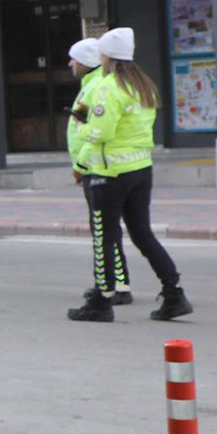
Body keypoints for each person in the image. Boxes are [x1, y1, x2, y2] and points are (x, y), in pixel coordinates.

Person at [70, 26, 191, 322]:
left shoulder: (108, 87)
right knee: (142, 234)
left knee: (104, 237)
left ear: (108, 56)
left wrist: (80, 126)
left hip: (108, 173)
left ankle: (101, 301)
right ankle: (173, 291)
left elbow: (100, 130)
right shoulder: (143, 85)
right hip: (140, 170)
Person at [66, 36, 132, 306]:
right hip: (94, 164)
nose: (71, 63)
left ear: (86, 62)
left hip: (96, 166)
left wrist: (80, 166)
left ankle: (114, 286)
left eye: (75, 59)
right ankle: (116, 283)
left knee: (104, 230)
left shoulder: (95, 88)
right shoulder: (90, 85)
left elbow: (94, 133)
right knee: (106, 229)